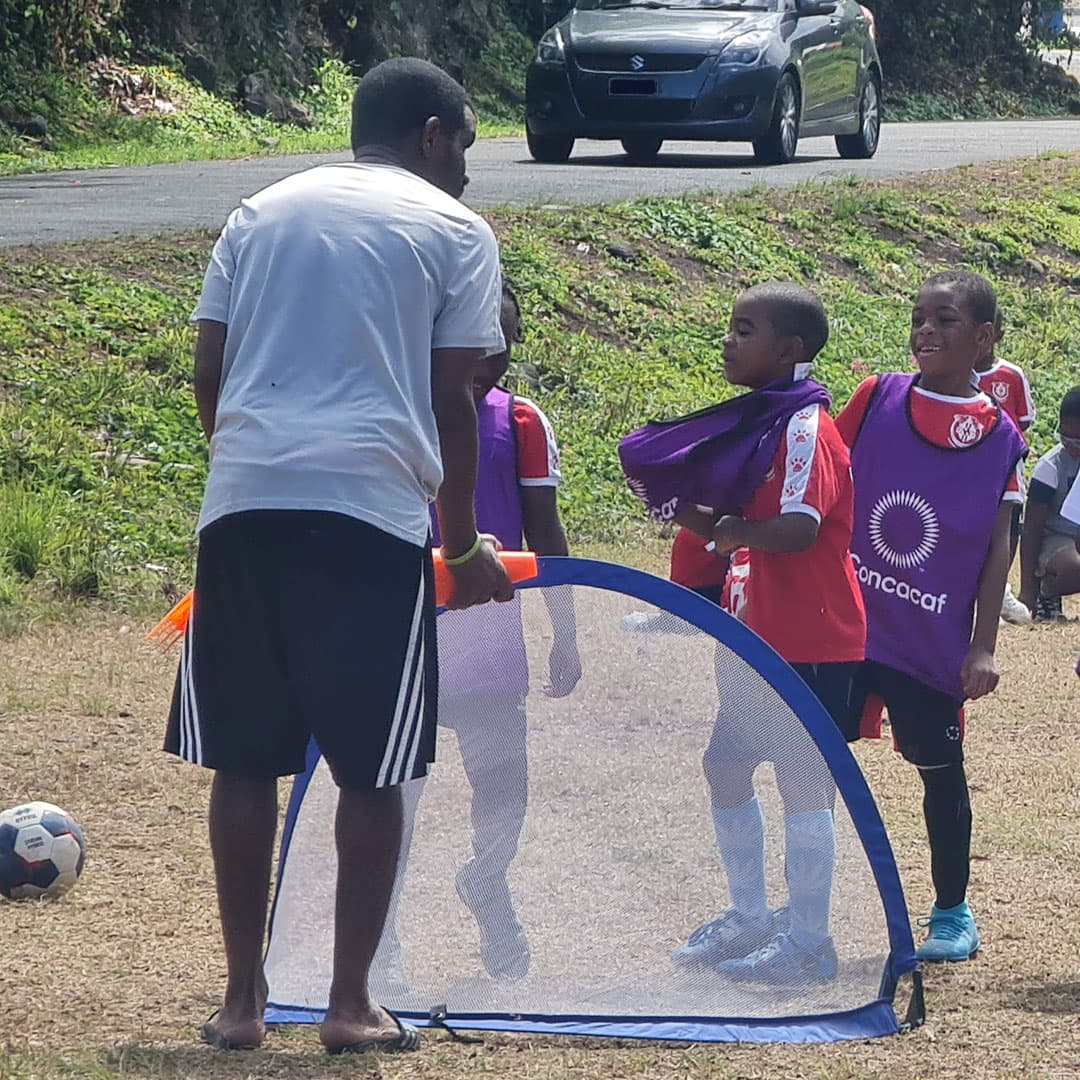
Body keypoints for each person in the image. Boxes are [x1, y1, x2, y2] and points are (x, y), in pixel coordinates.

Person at [163, 58, 514, 1056]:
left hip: (243, 505)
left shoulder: (259, 212)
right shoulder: (454, 230)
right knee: (372, 767)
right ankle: (350, 1004)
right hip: (368, 514)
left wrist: (249, 463)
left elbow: (209, 369)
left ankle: (242, 1002)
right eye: (465, 147)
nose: (466, 171)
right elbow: (455, 402)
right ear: (433, 135)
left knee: (244, 758)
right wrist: (463, 544)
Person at [624, 283, 866, 985]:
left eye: (745, 329)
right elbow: (732, 531)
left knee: (802, 781)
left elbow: (798, 529)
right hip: (752, 634)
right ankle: (752, 918)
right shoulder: (761, 422)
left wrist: (728, 529)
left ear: (789, 349)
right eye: (731, 326)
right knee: (726, 766)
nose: (728, 340)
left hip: (809, 636)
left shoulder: (805, 426)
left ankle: (809, 940)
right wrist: (672, 500)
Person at [386, 283, 582, 984]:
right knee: (394, 794)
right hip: (405, 643)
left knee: (503, 786)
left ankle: (488, 880)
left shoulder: (520, 421)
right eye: (473, 340)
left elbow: (546, 532)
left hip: (490, 644)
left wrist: (565, 630)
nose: (488, 359)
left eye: (502, 345)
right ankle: (381, 937)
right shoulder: (395, 410)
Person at [837, 270, 1027, 963]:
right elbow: (823, 479)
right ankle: (808, 913)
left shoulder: (1001, 438)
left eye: (945, 320)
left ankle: (952, 913)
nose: (925, 330)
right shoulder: (877, 396)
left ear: (984, 338)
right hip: (847, 625)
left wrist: (982, 646)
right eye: (919, 317)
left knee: (941, 771)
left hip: (930, 639)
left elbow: (999, 547)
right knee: (812, 763)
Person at [973, 305, 1036, 624]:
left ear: (997, 335)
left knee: (1007, 527)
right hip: (971, 467)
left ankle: (998, 593)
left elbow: (1024, 420)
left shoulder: (1012, 375)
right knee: (975, 528)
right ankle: (973, 597)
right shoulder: (958, 375)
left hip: (1008, 466)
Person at [1017, 386, 1080, 620]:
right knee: (1074, 568)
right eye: (1065, 437)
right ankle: (1047, 591)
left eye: (1078, 441)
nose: (1071, 446)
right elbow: (1032, 529)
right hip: (1056, 539)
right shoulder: (1051, 467)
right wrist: (1028, 591)